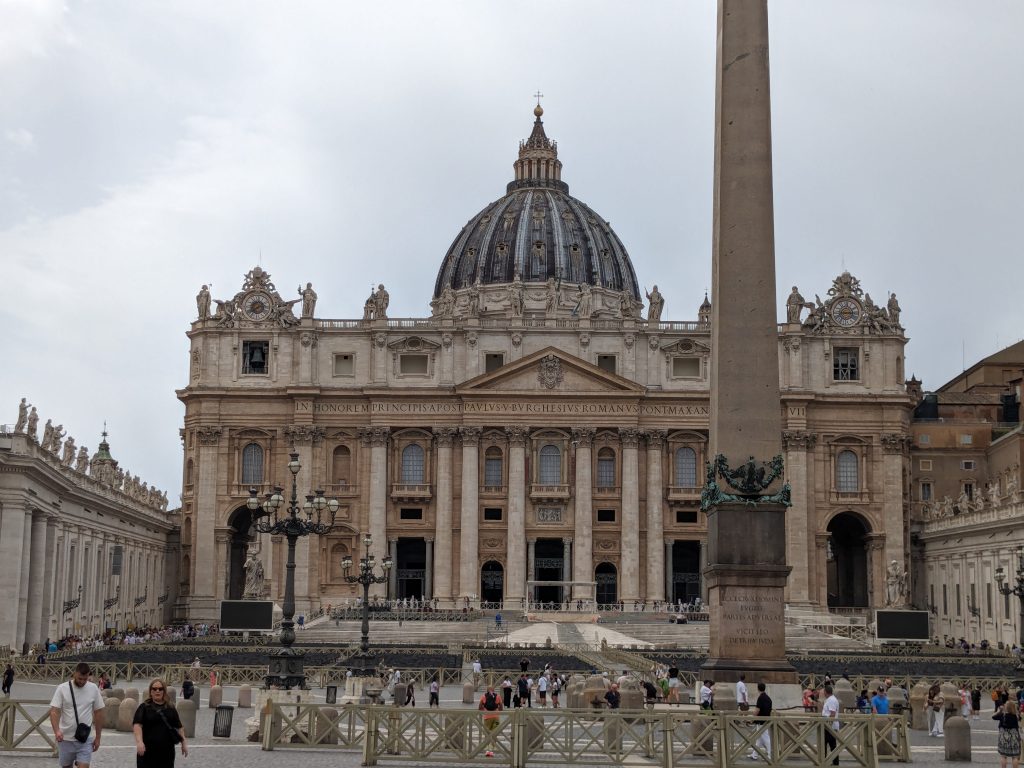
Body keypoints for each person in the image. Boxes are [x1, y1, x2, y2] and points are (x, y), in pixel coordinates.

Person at [50, 662, 106, 768]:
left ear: (88, 675)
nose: (82, 682)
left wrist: (98, 737)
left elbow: (98, 713)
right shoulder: (62, 688)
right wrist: (56, 730)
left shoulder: (93, 688)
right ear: (75, 673)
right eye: (80, 678)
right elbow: (54, 711)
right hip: (65, 738)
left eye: (85, 679)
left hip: (85, 738)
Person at [133, 678, 187, 768]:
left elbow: (179, 727)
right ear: (150, 692)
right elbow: (137, 725)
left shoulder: (170, 707)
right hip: (147, 751)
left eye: (160, 689)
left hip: (167, 752)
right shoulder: (144, 707)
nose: (157, 691)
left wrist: (184, 743)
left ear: (164, 691)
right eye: (154, 689)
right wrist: (139, 742)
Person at [748, 682, 773, 761]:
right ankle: (755, 754)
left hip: (760, 720)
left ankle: (770, 755)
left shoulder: (760, 698)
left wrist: (752, 719)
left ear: (758, 688)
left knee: (765, 738)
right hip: (766, 719)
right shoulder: (768, 698)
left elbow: (757, 710)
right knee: (759, 738)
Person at [995, 699, 1022, 768]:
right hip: (1014, 737)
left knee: (1003, 756)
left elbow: (993, 717)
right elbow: (1020, 719)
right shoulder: (1016, 716)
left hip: (1004, 737)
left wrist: (999, 711)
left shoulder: (1003, 715)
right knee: (1015, 757)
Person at [821, 684, 840, 766]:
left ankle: (825, 761)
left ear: (825, 692)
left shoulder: (831, 700)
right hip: (829, 725)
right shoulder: (830, 699)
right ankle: (833, 762)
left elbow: (832, 714)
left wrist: (828, 724)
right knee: (830, 744)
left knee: (829, 744)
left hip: (830, 726)